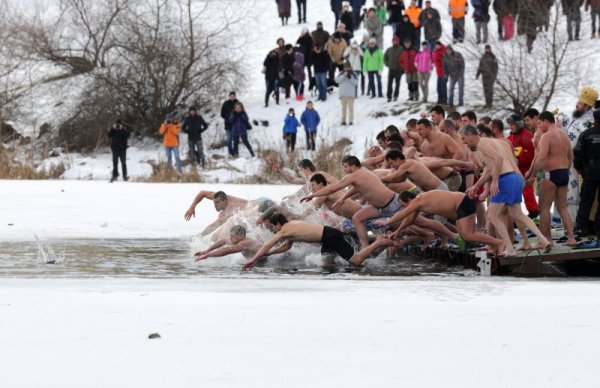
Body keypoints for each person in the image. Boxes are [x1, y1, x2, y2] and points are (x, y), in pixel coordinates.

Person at [461, 125, 550, 256]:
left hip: (505, 179)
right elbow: (490, 168)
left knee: (492, 215)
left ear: (471, 135)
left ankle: (510, 248)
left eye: (464, 139)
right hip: (515, 177)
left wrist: (495, 180)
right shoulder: (496, 142)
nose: (463, 142)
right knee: (517, 214)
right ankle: (543, 240)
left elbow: (498, 160)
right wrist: (476, 186)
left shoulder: (481, 143)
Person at [300, 155, 402, 249]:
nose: (344, 170)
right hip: (377, 208)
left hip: (388, 205)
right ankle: (366, 247)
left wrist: (312, 196)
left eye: (345, 167)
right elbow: (357, 188)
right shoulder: (363, 172)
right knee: (352, 222)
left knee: (406, 227)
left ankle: (377, 244)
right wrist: (343, 198)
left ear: (352, 166)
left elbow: (331, 190)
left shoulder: (352, 177)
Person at [380, 190, 506, 256]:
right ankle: (493, 245)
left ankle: (499, 243)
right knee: (465, 235)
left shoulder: (418, 200)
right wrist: (397, 231)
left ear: (408, 199)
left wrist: (387, 222)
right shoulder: (418, 205)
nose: (405, 208)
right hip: (460, 206)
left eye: (404, 205)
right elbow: (409, 219)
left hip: (462, 202)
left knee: (468, 235)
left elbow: (404, 214)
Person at [525, 111, 577, 246]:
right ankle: (571, 238)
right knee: (562, 208)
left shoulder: (547, 136)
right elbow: (570, 157)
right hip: (564, 173)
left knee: (544, 208)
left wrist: (533, 174)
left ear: (546, 121)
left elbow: (541, 157)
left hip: (551, 174)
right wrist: (564, 169)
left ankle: (545, 240)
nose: (539, 126)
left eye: (540, 123)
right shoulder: (563, 135)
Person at [242, 213, 356, 270]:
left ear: (277, 224)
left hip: (330, 236)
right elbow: (286, 247)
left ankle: (374, 243)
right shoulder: (291, 226)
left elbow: (267, 244)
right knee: (326, 264)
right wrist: (270, 253)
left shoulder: (284, 230)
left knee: (356, 261)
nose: (274, 230)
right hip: (328, 237)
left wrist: (254, 259)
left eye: (273, 227)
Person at [561, 87, 598, 225]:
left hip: (582, 163)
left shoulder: (591, 120)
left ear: (588, 106)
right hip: (567, 161)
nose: (578, 104)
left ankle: (580, 223)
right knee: (569, 192)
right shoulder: (572, 117)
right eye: (578, 101)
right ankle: (569, 224)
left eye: (581, 103)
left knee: (580, 194)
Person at [573, 109, 600, 237]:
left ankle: (582, 228)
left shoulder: (586, 134)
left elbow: (577, 154)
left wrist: (580, 169)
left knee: (586, 200)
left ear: (594, 119)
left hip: (590, 171)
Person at [506, 114, 538, 219]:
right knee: (515, 195)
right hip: (513, 172)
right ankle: (516, 217)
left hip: (526, 170)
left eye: (513, 124)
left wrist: (519, 158)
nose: (511, 126)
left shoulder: (528, 136)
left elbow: (533, 154)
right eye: (510, 124)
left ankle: (534, 214)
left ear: (518, 124)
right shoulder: (510, 137)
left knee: (528, 193)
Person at [185, 190, 250, 236]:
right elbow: (202, 193)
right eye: (214, 202)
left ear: (224, 200)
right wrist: (192, 208)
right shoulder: (220, 196)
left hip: (251, 212)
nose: (215, 205)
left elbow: (214, 225)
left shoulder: (228, 210)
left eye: (217, 202)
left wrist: (200, 236)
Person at [382, 149, 448, 191]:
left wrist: (379, 179)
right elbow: (401, 179)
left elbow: (394, 176)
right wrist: (385, 182)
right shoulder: (405, 168)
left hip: (439, 189)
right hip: (434, 191)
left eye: (391, 163)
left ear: (397, 159)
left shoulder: (407, 164)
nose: (392, 166)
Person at [194, 225, 262, 262]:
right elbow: (223, 241)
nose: (230, 238)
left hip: (264, 261)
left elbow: (226, 250)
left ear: (241, 236)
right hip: (256, 261)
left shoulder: (244, 243)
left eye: (232, 236)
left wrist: (207, 255)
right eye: (230, 235)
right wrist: (207, 250)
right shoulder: (236, 239)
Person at [384, 35, 404, 102]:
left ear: (398, 41)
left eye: (396, 40)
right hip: (391, 69)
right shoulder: (389, 49)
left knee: (397, 84)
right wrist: (387, 63)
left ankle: (396, 96)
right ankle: (389, 96)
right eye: (393, 41)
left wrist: (402, 67)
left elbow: (404, 58)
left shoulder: (401, 48)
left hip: (398, 69)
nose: (394, 42)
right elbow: (385, 57)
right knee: (389, 83)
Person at [220, 92, 238, 157]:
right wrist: (227, 118)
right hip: (227, 125)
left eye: (234, 96)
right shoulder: (226, 103)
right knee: (229, 140)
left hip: (235, 124)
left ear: (235, 96)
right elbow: (222, 114)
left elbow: (241, 112)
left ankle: (235, 152)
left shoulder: (238, 103)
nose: (232, 97)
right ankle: (230, 153)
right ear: (229, 96)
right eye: (231, 96)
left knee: (235, 139)